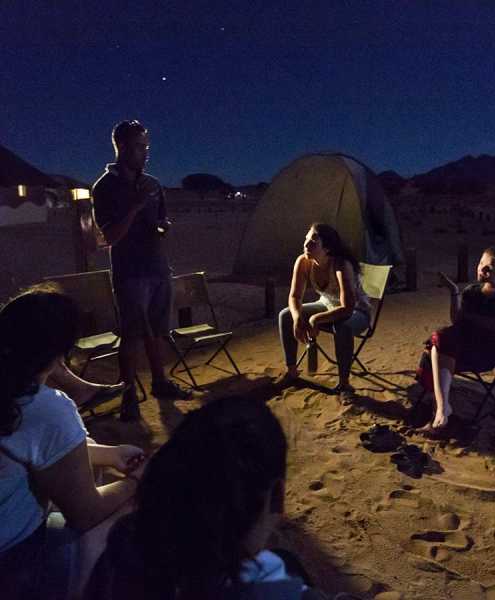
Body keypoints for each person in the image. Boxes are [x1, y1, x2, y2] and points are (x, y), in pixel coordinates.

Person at [85, 395, 358, 600]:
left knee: (286, 559)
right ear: (276, 498)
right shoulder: (274, 592)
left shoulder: (127, 539)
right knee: (285, 563)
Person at [0, 286, 146, 600]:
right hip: (14, 563)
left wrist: (108, 454)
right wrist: (136, 480)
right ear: (60, 355)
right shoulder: (43, 407)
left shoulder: (10, 394)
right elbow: (87, 512)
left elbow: (31, 449)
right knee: (130, 512)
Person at [92, 120, 191, 421]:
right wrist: (134, 207)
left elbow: (162, 221)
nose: (145, 153)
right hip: (130, 271)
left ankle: (160, 383)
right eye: (139, 147)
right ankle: (128, 396)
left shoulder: (154, 184)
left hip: (158, 266)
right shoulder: (104, 187)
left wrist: (162, 228)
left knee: (157, 330)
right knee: (132, 333)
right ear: (121, 147)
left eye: (147, 146)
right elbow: (109, 237)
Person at [416, 247, 495, 434]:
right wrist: (454, 291)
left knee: (437, 347)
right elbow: (458, 321)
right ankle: (442, 409)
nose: (482, 269)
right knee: (439, 341)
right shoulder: (471, 291)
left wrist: (469, 317)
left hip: (485, 352)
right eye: (481, 263)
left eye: (490, 266)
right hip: (460, 344)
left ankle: (440, 409)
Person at [278, 223, 371, 401]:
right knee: (286, 315)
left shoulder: (340, 265)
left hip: (357, 312)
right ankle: (291, 372)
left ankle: (344, 384)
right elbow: (295, 296)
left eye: (313, 241)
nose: (306, 244)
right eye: (306, 238)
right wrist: (298, 319)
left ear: (327, 248)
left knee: (342, 327)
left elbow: (348, 307)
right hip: (327, 304)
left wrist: (315, 320)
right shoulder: (304, 262)